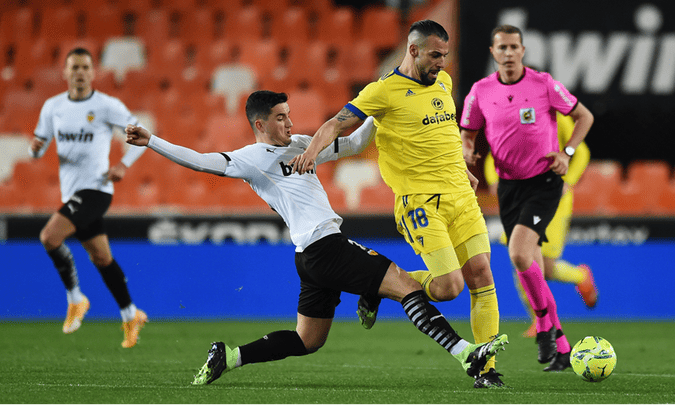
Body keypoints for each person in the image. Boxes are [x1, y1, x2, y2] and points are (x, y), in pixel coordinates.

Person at [125, 90, 508, 388]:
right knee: (406, 286)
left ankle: (230, 356)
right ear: (259, 124)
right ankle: (465, 353)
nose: (289, 123)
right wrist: (152, 141)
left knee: (307, 340)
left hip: (309, 258)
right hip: (325, 248)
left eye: (289, 115)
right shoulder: (250, 159)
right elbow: (199, 159)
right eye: (280, 118)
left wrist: (382, 107)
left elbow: (355, 144)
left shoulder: (299, 146)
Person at [289, 20, 505, 388]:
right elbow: (335, 125)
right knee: (448, 288)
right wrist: (311, 151)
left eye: (445, 56)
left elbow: (444, 132)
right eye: (435, 56)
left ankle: (484, 370)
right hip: (420, 202)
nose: (441, 63)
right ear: (413, 50)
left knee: (482, 274)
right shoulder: (383, 91)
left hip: (460, 196)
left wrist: (462, 170)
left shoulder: (444, 83)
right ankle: (380, 287)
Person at [459, 25, 595, 372]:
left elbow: (584, 117)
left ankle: (544, 329)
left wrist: (566, 151)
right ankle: (561, 345)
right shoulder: (480, 91)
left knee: (520, 254)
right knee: (530, 265)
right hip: (509, 187)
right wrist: (467, 151)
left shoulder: (543, 84)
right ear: (493, 52)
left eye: (513, 47)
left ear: (522, 50)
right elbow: (468, 134)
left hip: (544, 182)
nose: (507, 53)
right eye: (501, 47)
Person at [29, 47, 148, 348]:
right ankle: (131, 313)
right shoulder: (52, 107)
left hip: (96, 190)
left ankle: (76, 299)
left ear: (93, 73)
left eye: (85, 67)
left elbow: (141, 135)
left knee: (49, 237)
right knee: (101, 257)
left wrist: (123, 164)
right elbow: (39, 147)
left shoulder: (107, 105)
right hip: (71, 192)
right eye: (74, 68)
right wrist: (35, 149)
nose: (79, 72)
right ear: (65, 72)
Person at [466, 111, 598, 338]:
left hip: (554, 199)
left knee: (544, 266)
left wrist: (569, 180)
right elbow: (493, 157)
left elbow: (582, 152)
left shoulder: (556, 117)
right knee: (521, 259)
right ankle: (539, 320)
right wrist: (496, 180)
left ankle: (580, 276)